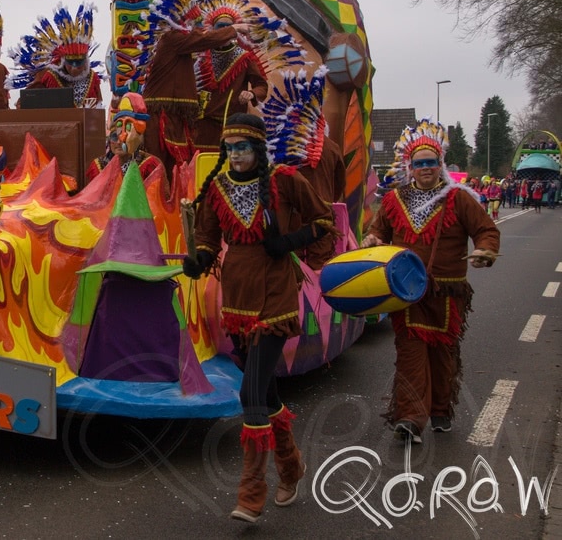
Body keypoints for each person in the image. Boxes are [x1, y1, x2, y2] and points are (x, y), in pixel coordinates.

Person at [182, 113, 335, 523]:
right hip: (236, 299)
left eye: (243, 147)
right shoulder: (217, 187)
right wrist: (198, 261)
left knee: (249, 393)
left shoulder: (285, 180)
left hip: (275, 296)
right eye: (230, 148)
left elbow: (324, 220)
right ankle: (291, 465)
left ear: (259, 149)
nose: (235, 155)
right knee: (265, 393)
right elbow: (207, 239)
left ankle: (251, 495)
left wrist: (288, 242)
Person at [362, 119, 499, 443]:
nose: (426, 168)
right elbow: (379, 231)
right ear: (410, 167)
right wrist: (372, 239)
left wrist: (485, 250)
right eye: (420, 163)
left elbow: (486, 230)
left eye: (431, 162)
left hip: (448, 293)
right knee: (410, 351)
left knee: (442, 354)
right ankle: (410, 418)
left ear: (441, 164)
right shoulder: (394, 200)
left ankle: (439, 409)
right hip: (407, 291)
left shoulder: (459, 198)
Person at [141, 0, 247, 180]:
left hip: (176, 117)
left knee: (177, 168)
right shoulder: (173, 39)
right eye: (190, 21)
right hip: (162, 117)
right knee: (161, 169)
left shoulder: (177, 42)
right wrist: (233, 30)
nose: (194, 26)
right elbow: (203, 39)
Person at [192, 0, 270, 154]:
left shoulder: (245, 57)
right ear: (213, 30)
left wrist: (251, 93)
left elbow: (261, 85)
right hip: (202, 125)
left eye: (229, 27)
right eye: (221, 27)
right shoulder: (199, 55)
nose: (225, 31)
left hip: (231, 125)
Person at [7, 3, 104, 109]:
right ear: (63, 60)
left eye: (79, 62)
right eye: (70, 62)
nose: (74, 67)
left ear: (85, 61)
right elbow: (27, 102)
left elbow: (99, 105)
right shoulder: (48, 76)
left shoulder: (92, 78)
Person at [85, 93, 163, 182]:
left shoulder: (149, 164)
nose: (119, 142)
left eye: (125, 137)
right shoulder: (98, 166)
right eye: (114, 137)